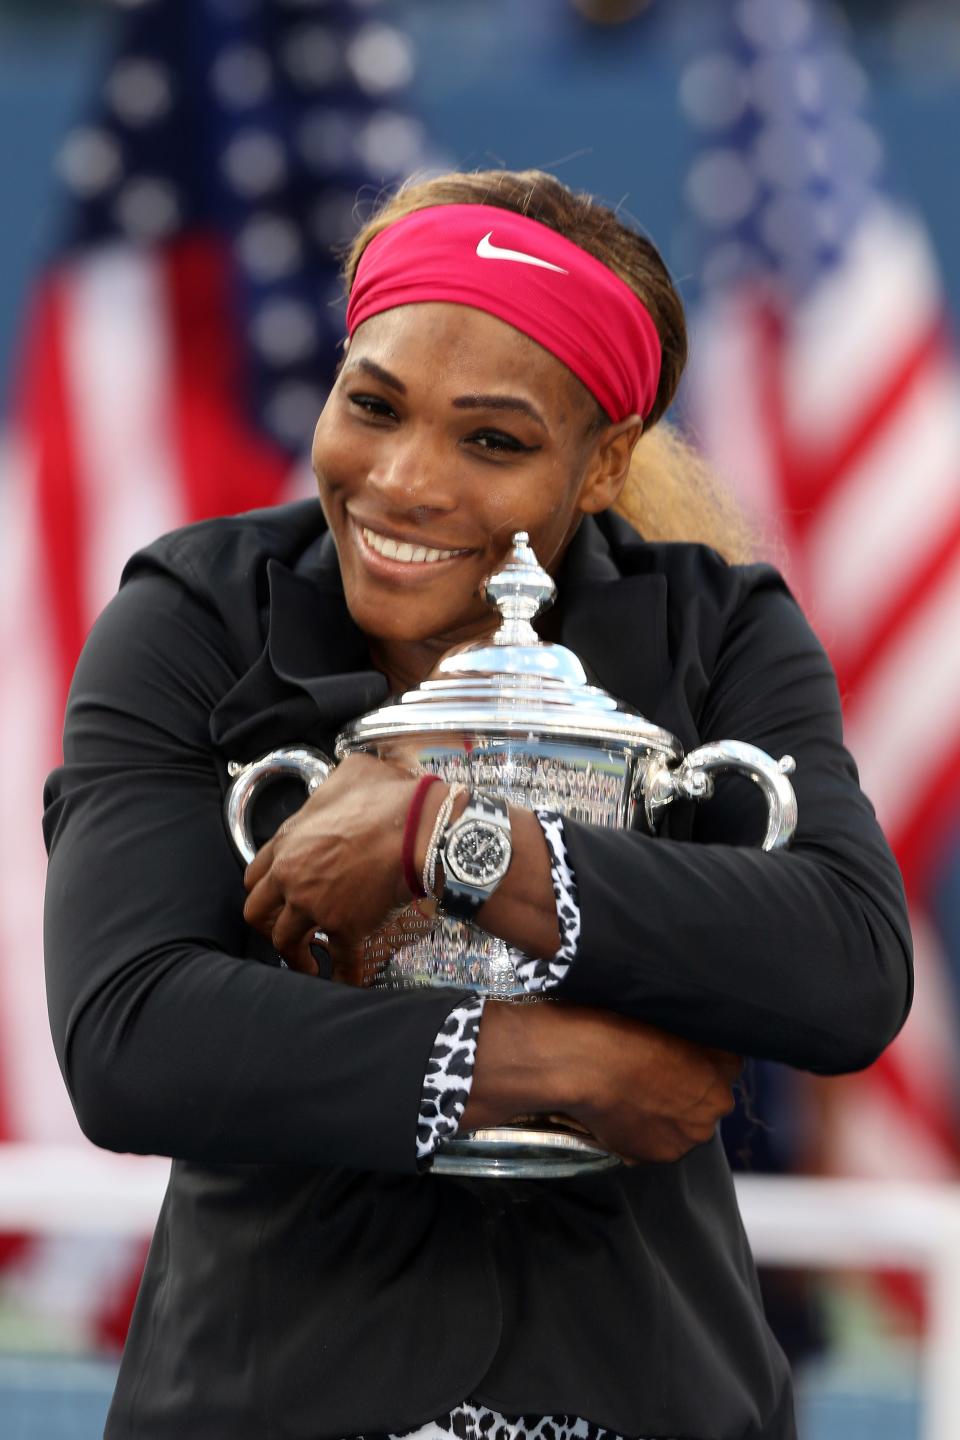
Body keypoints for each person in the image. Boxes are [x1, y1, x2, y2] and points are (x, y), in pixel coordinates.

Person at [43, 169, 912, 1440]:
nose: (402, 481)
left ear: (603, 461)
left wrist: (446, 842)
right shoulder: (196, 613)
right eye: (373, 405)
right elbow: (129, 1035)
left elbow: (849, 966)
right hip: (267, 1398)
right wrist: (538, 1064)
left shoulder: (715, 628)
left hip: (646, 1392)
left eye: (493, 440)